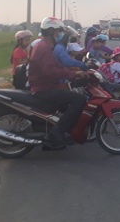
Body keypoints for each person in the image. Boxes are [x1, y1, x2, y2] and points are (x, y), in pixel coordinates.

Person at [29, 17, 88, 147]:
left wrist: (73, 74)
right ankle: (57, 132)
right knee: (79, 100)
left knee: (68, 103)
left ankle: (59, 132)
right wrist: (73, 74)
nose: (60, 34)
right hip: (44, 89)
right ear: (51, 31)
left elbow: (57, 66)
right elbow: (50, 70)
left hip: (47, 86)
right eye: (58, 31)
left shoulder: (46, 46)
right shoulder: (44, 47)